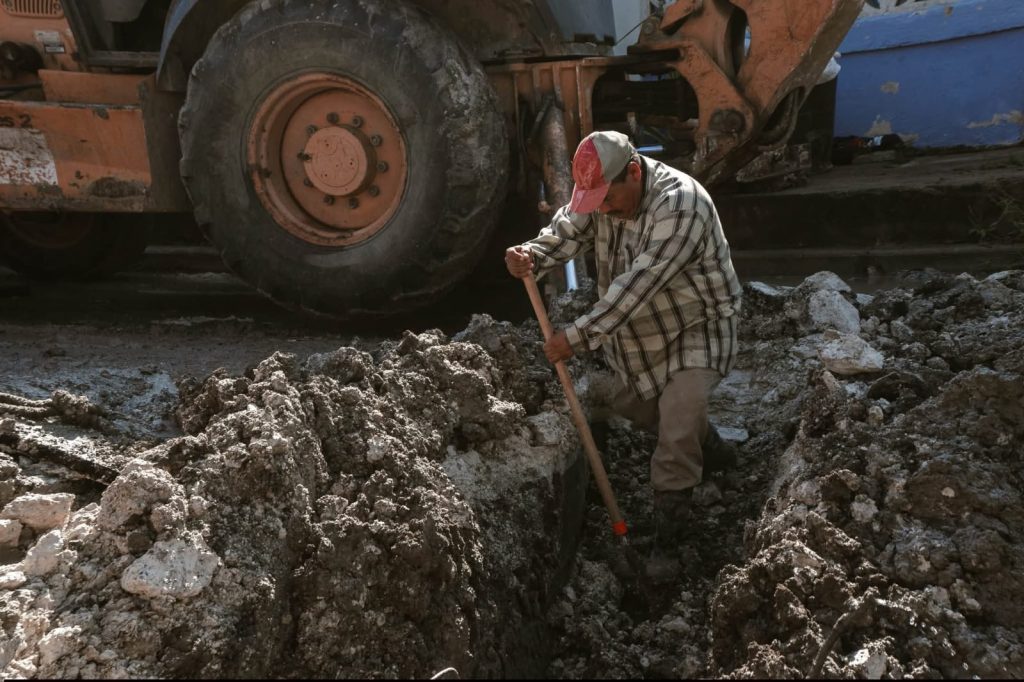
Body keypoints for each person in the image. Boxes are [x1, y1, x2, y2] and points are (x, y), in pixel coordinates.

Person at [505, 130, 742, 569]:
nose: (604, 211)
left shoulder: (681, 205)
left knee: (676, 425)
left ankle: (668, 546)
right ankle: (713, 450)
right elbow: (569, 229)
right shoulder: (604, 198)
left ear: (633, 172)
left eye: (608, 200)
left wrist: (572, 338)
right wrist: (533, 256)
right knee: (647, 408)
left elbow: (635, 289)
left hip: (697, 325)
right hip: (643, 332)